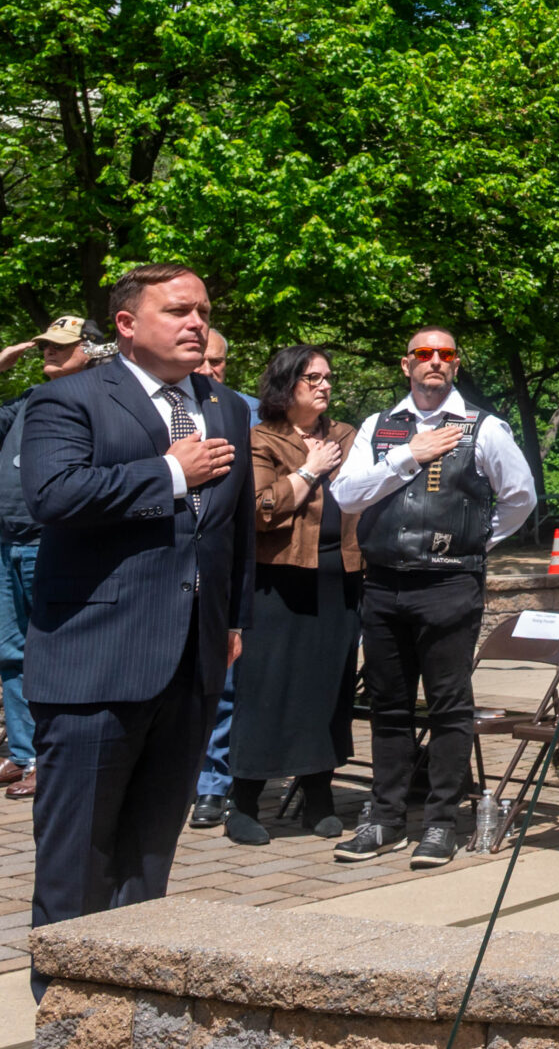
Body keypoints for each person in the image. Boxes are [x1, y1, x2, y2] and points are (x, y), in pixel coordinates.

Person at [20, 263, 252, 992]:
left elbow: (236, 530)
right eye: (178, 310)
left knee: (150, 854)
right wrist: (170, 472)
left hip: (192, 660)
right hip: (97, 660)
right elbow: (52, 495)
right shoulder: (69, 399)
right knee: (78, 859)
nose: (196, 323)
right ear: (126, 323)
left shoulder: (227, 407)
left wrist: (233, 619)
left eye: (203, 311)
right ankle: (64, 1012)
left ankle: (130, 1007)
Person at [330, 327, 535, 870]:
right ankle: (384, 818)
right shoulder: (378, 427)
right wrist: (409, 456)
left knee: (449, 707)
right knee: (388, 708)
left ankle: (442, 822)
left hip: (449, 585)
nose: (435, 362)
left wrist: (476, 539)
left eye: (446, 354)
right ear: (407, 365)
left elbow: (520, 496)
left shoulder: (483, 427)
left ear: (456, 366)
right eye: (425, 354)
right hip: (384, 584)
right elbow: (346, 494)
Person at [0, 317, 109, 798]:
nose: (48, 352)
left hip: (57, 544)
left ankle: (53, 759)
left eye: (60, 347)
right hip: (10, 547)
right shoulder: (29, 399)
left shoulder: (101, 398)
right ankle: (23, 754)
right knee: (11, 655)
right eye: (45, 345)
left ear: (89, 350)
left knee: (56, 656)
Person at [223, 346, 360, 845]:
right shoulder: (261, 439)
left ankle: (318, 796)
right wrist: (308, 470)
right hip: (277, 583)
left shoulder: (347, 436)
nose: (324, 386)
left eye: (328, 377)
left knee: (326, 690)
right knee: (267, 691)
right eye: (312, 378)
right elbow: (260, 510)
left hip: (338, 579)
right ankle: (243, 800)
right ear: (286, 386)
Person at [191, 329, 262, 828]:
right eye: (202, 361)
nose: (208, 371)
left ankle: (213, 784)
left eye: (218, 362)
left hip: (226, 564)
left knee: (225, 682)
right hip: (169, 566)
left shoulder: (247, 412)